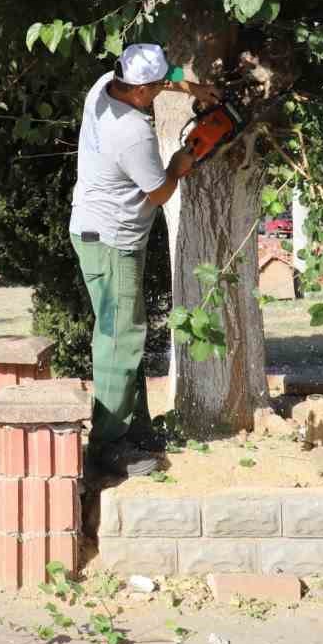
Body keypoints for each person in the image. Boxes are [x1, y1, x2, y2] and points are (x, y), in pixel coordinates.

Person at [69, 44, 219, 476]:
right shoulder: (132, 131)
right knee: (120, 339)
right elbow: (159, 193)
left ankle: (135, 427)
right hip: (113, 241)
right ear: (140, 90)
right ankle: (108, 447)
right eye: (156, 88)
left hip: (96, 231)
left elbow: (163, 73)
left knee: (125, 336)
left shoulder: (102, 87)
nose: (160, 91)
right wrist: (180, 163)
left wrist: (194, 87)